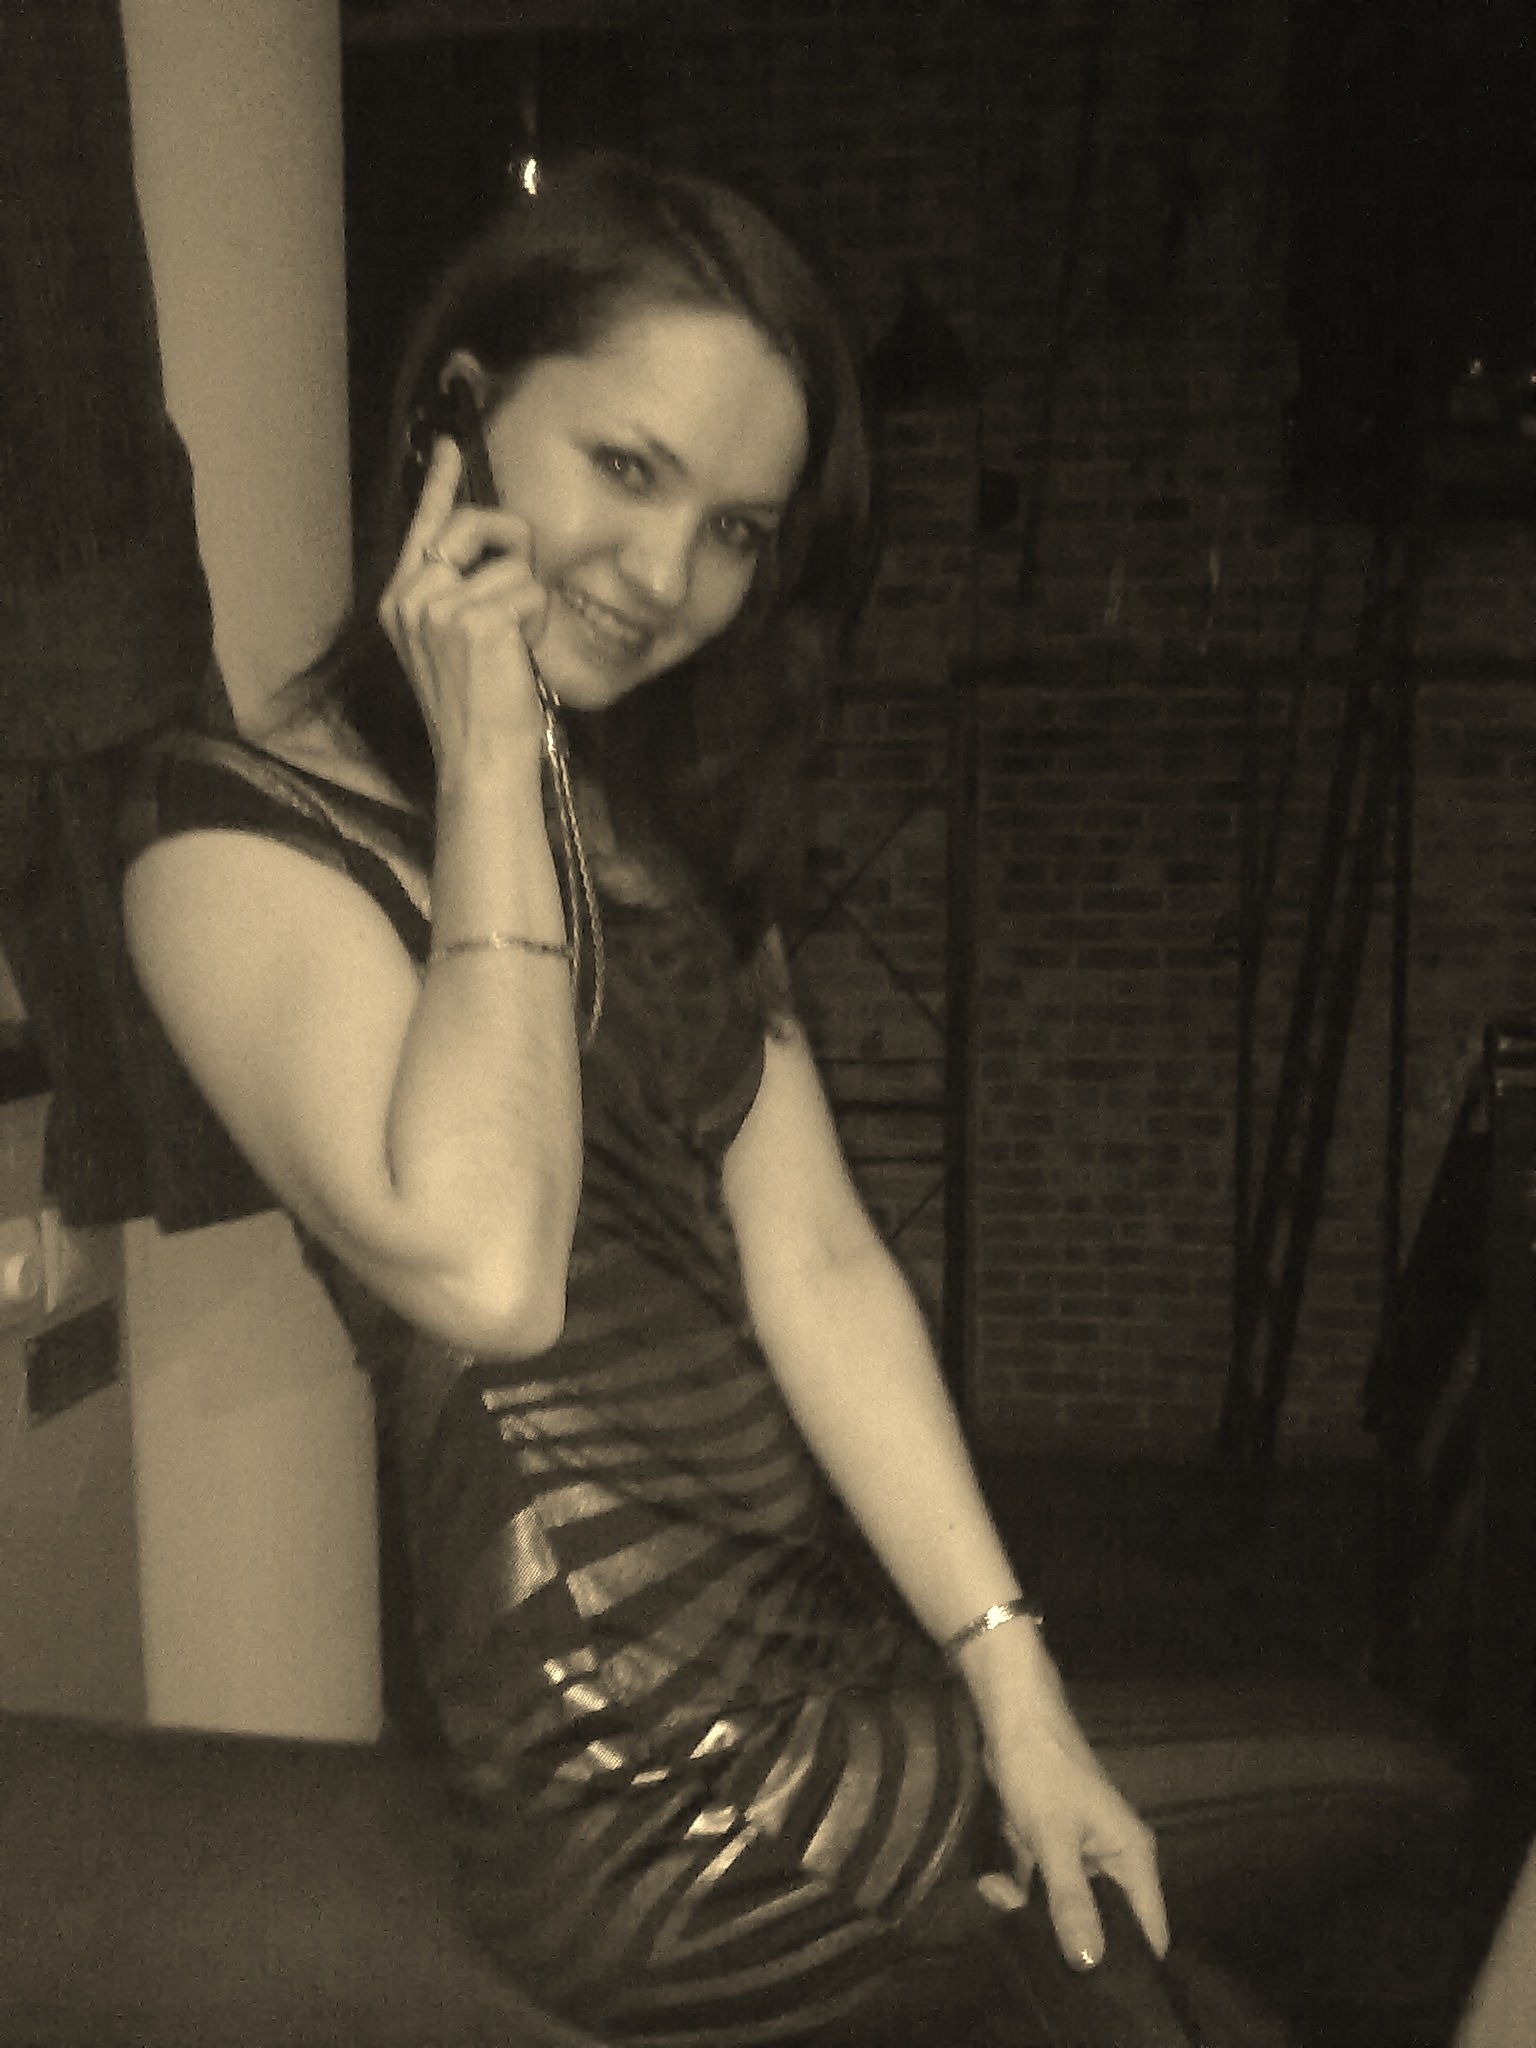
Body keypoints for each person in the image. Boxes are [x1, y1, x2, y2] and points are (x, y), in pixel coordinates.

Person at [121, 152, 1186, 2047]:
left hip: (823, 1674)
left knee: (1148, 1919)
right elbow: (488, 1267)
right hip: (652, 1798)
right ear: (457, 418)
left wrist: (1016, 1689)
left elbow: (822, 1265)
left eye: (736, 532)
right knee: (1361, 1807)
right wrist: (489, 764)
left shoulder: (650, 828)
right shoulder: (223, 838)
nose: (670, 578)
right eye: (627, 468)